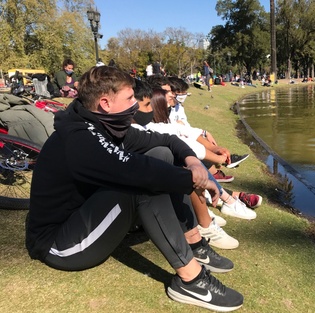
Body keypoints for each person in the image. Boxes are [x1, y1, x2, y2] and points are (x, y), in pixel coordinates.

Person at [25, 66, 244, 311]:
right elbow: (140, 174)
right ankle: (191, 280)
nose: (135, 105)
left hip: (85, 215)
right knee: (143, 183)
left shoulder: (102, 123)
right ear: (106, 103)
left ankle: (194, 244)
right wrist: (196, 182)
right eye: (130, 99)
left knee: (160, 154)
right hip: (60, 245)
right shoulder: (80, 140)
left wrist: (193, 162)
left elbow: (167, 142)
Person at [132, 81, 259, 220]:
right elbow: (181, 138)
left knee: (193, 161)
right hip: (156, 182)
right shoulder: (141, 129)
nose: (174, 98)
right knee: (191, 165)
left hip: (184, 160)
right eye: (147, 105)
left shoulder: (153, 123)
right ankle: (212, 214)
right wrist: (217, 158)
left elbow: (180, 130)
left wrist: (212, 145)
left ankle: (225, 197)